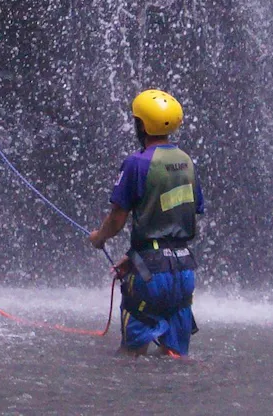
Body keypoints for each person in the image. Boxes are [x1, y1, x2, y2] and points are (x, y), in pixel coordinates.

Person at [89, 89, 204, 357]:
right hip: (184, 269)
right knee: (175, 356)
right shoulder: (186, 162)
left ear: (141, 125)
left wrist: (99, 238)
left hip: (150, 274)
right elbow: (177, 217)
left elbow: (117, 219)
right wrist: (134, 258)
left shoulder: (137, 163)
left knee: (131, 355)